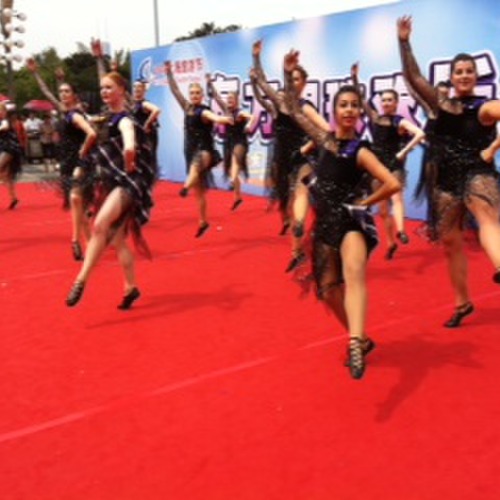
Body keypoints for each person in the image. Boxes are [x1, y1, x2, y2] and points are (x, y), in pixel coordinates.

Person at [283, 50, 401, 379]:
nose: (349, 110)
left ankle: (352, 343)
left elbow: (391, 182)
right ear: (335, 111)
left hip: (352, 222)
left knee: (354, 273)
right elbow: (292, 109)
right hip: (325, 226)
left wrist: (365, 204)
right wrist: (286, 73)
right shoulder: (323, 140)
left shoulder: (361, 150)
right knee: (328, 291)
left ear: (359, 112)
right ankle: (359, 337)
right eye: (343, 105)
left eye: (354, 105)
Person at [397, 15, 500, 327]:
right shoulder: (441, 104)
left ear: (476, 76)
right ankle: (462, 303)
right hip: (444, 178)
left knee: (485, 215)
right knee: (451, 243)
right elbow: (413, 77)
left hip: (477, 170)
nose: (465, 76)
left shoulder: (485, 107)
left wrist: (492, 149)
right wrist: (404, 42)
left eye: (470, 71)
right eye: (460, 72)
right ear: (452, 77)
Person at [66, 71, 156, 309]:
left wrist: (128, 159)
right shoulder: (105, 117)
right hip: (111, 182)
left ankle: (80, 281)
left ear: (121, 91)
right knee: (118, 241)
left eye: (109, 88)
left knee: (98, 225)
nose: (104, 92)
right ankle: (131, 287)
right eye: (102, 88)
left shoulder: (125, 120)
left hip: (128, 184)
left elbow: (129, 144)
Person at [252, 40, 330, 272]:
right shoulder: (279, 104)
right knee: (287, 201)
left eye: (297, 79)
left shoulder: (305, 107)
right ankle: (297, 250)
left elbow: (326, 129)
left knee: (301, 195)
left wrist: (309, 145)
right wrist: (256, 57)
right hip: (281, 159)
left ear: (304, 84)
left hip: (303, 159)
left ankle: (298, 227)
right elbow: (264, 85)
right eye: (291, 79)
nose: (293, 83)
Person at [352, 62, 425, 259]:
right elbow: (361, 100)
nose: (385, 103)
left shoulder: (398, 121)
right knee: (383, 211)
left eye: (389, 100)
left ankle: (401, 231)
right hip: (377, 167)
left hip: (394, 165)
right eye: (383, 100)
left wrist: (404, 152)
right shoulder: (375, 118)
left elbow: (419, 133)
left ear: (395, 103)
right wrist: (355, 79)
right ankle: (391, 241)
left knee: (397, 197)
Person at [27, 58, 97, 261]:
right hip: (66, 162)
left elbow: (91, 133)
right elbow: (48, 93)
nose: (63, 95)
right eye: (62, 92)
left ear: (74, 95)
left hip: (80, 162)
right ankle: (90, 243)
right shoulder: (62, 111)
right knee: (79, 207)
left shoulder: (76, 114)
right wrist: (35, 74)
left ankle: (75, 239)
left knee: (76, 199)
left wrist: (83, 151)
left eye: (67, 92)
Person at [164, 61, 232, 237]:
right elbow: (175, 91)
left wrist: (224, 120)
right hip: (190, 149)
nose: (194, 95)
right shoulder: (187, 107)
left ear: (202, 95)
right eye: (192, 93)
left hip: (205, 150)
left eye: (197, 93)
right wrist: (170, 74)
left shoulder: (204, 111)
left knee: (195, 166)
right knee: (200, 193)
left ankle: (185, 187)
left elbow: (214, 117)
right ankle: (203, 222)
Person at [206, 74, 256, 210]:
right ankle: (237, 197)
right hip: (228, 142)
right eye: (228, 99)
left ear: (236, 101)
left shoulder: (240, 113)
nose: (229, 101)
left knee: (235, 161)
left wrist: (248, 125)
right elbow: (216, 97)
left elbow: (252, 116)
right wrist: (210, 83)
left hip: (240, 142)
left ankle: (233, 180)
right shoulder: (226, 111)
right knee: (231, 169)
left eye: (231, 99)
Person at [0, 103, 23, 209]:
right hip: (6, 148)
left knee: (4, 172)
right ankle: (14, 199)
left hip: (10, 148)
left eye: (1, 110)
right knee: (6, 176)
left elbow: (5, 127)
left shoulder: (5, 120)